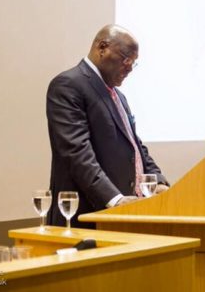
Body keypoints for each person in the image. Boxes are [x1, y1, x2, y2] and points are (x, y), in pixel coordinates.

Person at [46, 24, 169, 228]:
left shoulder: (119, 96)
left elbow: (135, 148)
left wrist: (159, 181)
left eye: (134, 63)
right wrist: (115, 199)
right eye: (126, 58)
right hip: (87, 217)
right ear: (102, 47)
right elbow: (77, 153)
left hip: (122, 216)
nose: (130, 67)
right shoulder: (68, 85)